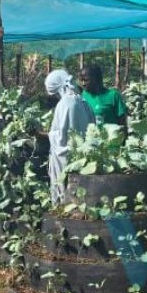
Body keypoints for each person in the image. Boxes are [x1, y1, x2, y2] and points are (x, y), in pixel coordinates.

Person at [44, 69, 95, 203]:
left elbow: (62, 139)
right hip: (82, 159)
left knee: (66, 195)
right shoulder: (83, 101)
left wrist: (47, 134)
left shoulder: (66, 104)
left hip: (65, 161)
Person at [78, 64, 128, 128]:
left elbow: (122, 121)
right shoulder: (81, 96)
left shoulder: (113, 95)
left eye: (86, 80)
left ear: (96, 78)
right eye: (81, 80)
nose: (83, 83)